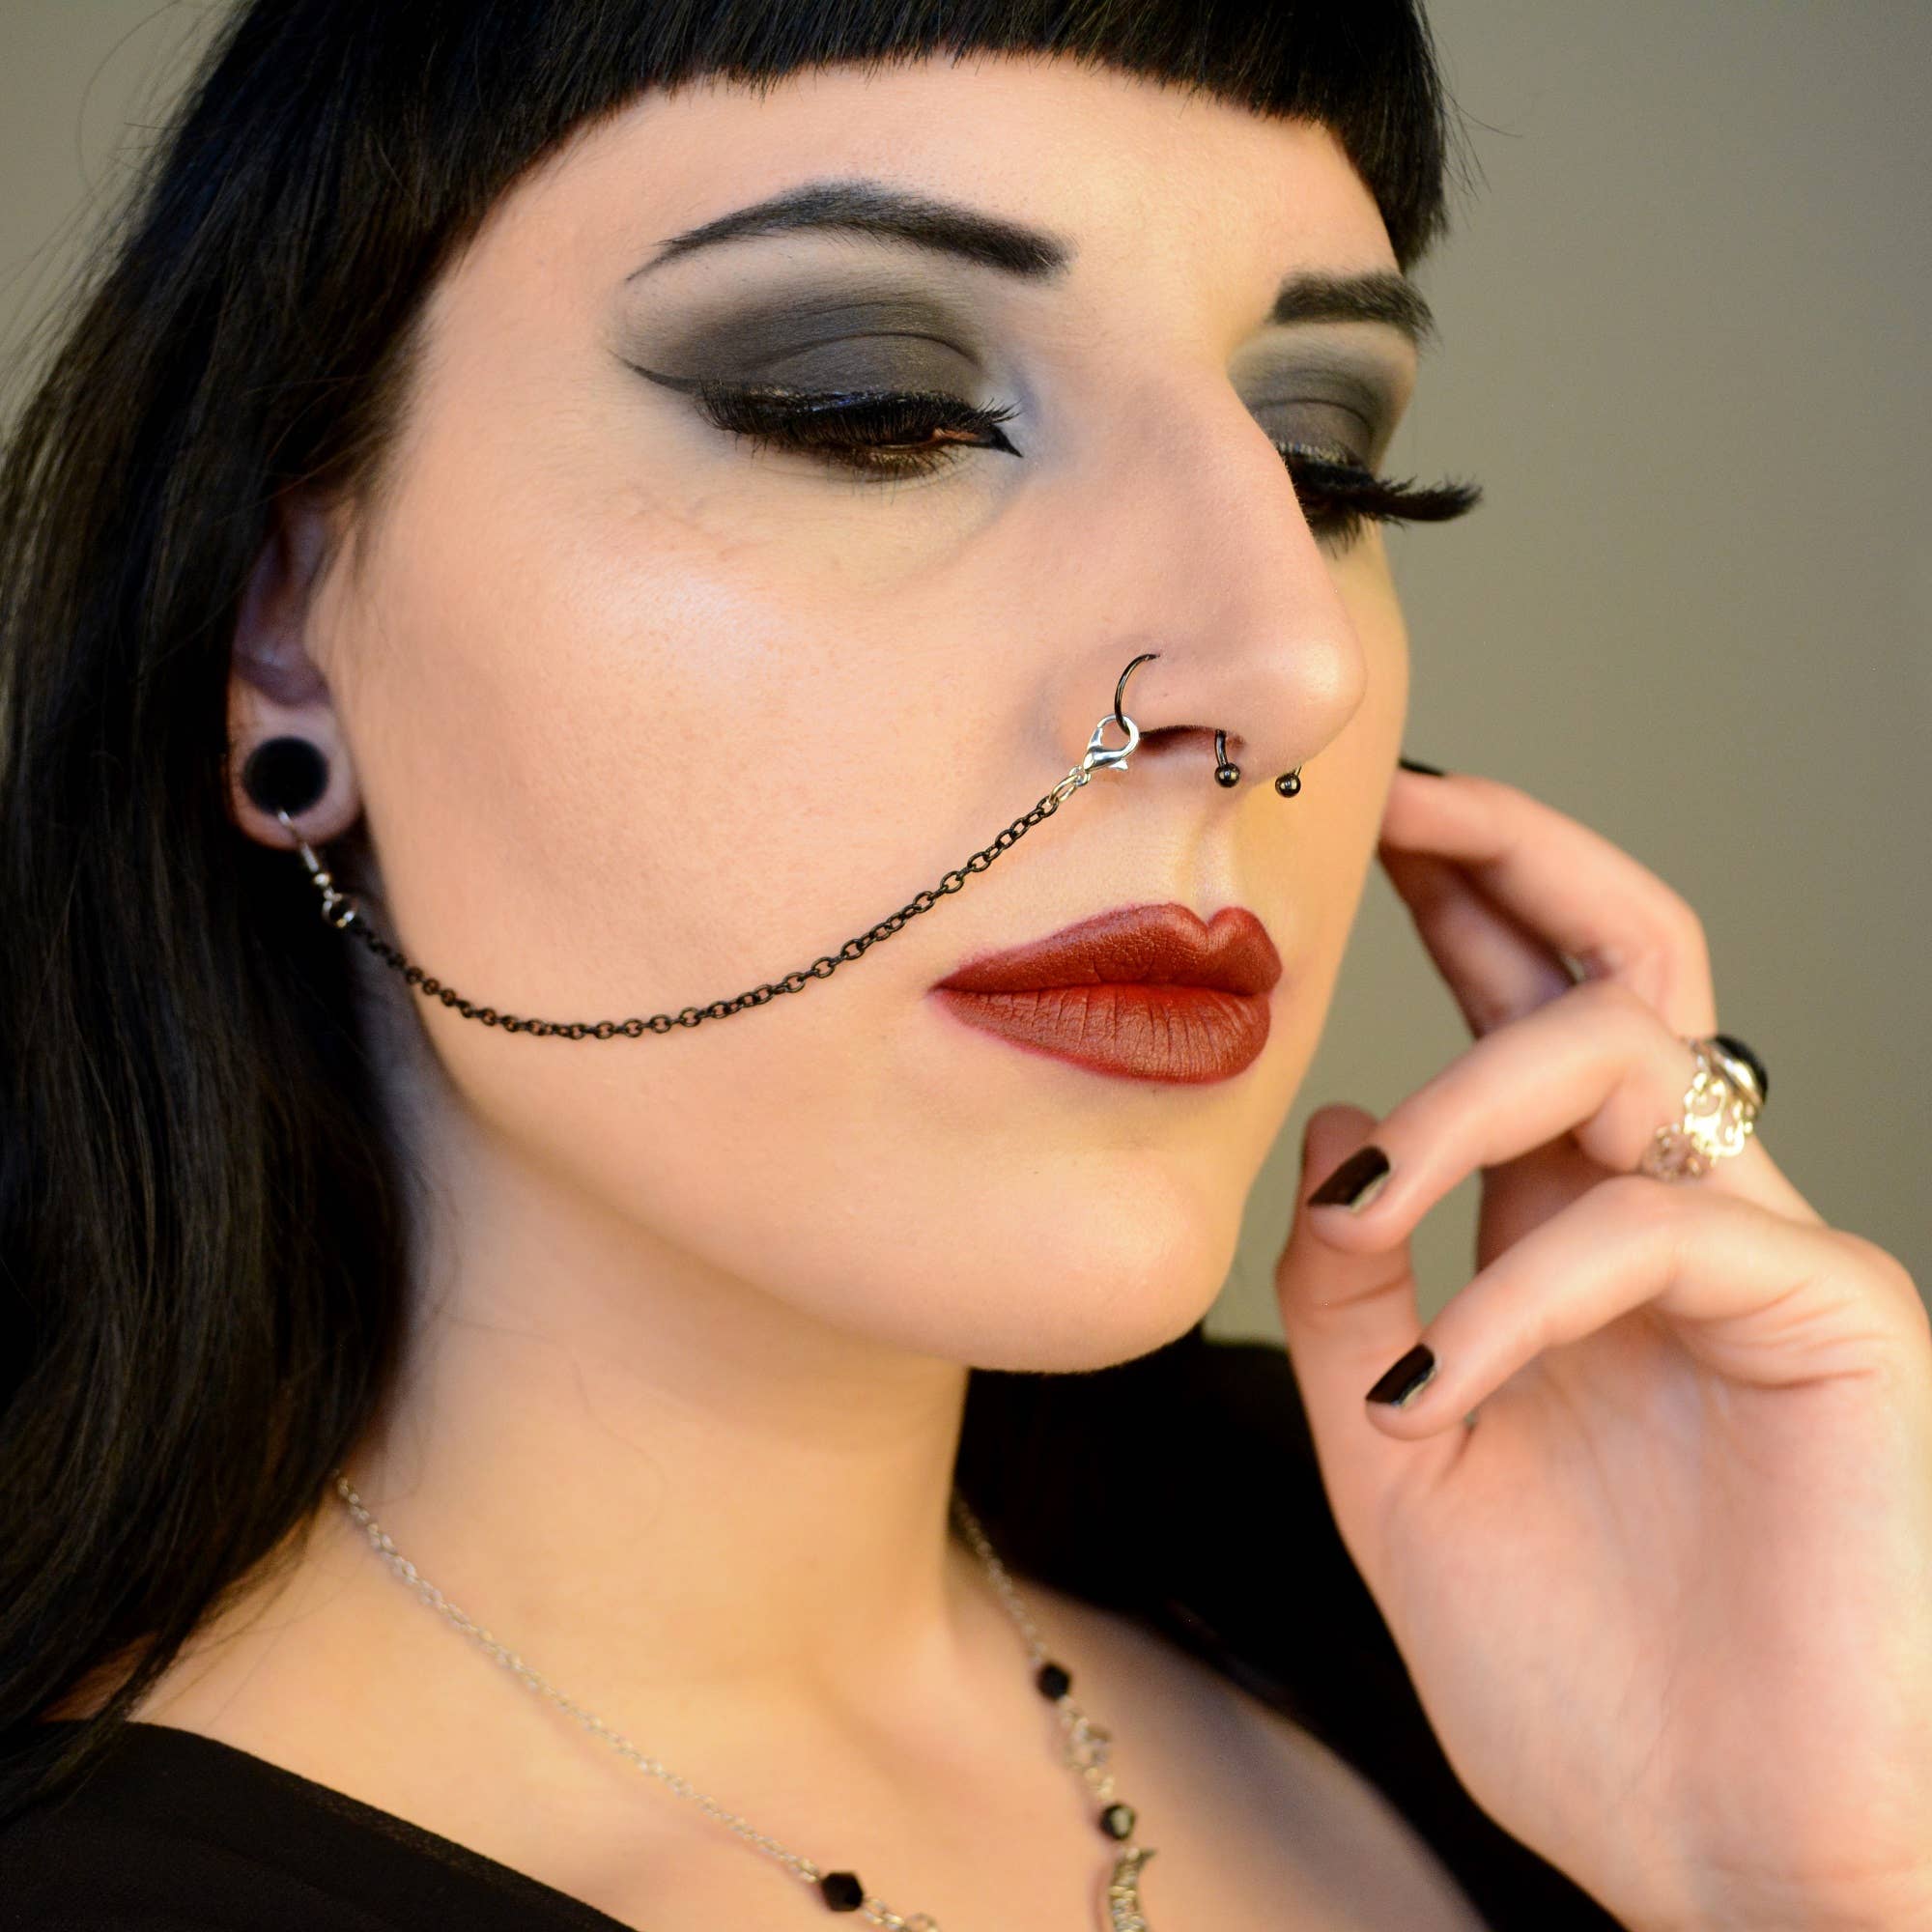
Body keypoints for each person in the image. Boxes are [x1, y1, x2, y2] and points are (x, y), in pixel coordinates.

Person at [5, 4, 1930, 1929]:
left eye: (1323, 465)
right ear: (281, 628)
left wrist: (1810, 1879)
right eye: (875, 409)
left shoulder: (1474, 1600)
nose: (1289, 663)